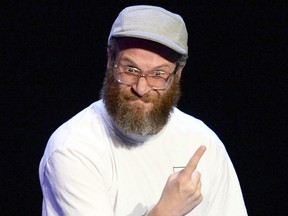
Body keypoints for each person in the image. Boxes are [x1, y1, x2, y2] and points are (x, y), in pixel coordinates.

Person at [39, 5, 248, 216]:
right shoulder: (73, 148)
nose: (141, 88)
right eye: (131, 70)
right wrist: (166, 212)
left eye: (158, 74)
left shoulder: (203, 142)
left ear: (178, 74)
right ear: (110, 60)